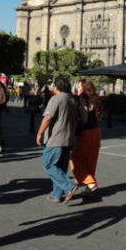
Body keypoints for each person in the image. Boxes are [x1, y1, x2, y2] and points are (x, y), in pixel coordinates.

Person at [35, 75, 87, 203]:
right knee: (61, 167)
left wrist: (39, 133)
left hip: (56, 138)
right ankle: (56, 194)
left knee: (48, 165)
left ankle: (69, 186)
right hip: (69, 138)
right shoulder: (73, 99)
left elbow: (47, 118)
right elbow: (84, 118)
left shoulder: (56, 99)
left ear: (57, 86)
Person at [70, 79, 103, 196]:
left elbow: (84, 119)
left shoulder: (82, 99)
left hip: (86, 132)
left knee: (74, 159)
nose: (77, 89)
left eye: (79, 87)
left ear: (84, 88)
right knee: (90, 160)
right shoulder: (95, 98)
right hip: (96, 131)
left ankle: (90, 183)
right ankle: (88, 188)